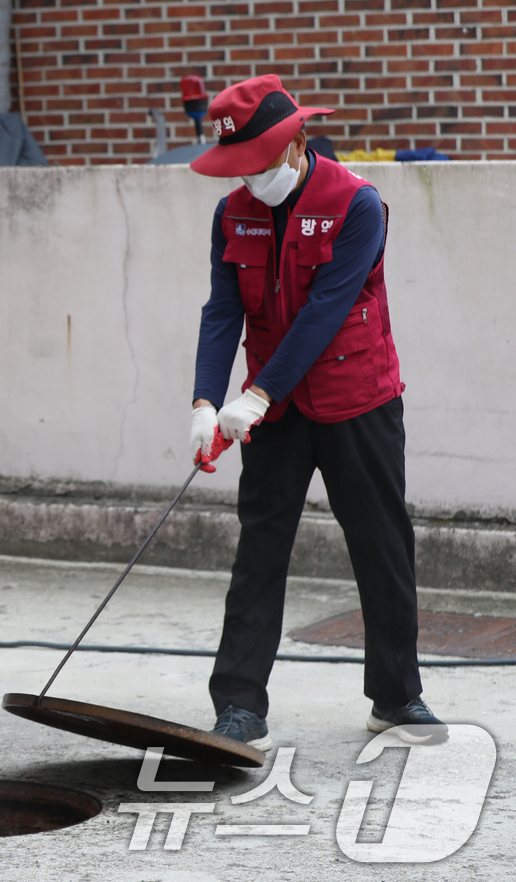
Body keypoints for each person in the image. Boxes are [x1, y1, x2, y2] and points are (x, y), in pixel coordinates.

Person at [187, 75, 445, 750]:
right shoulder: (231, 214)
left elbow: (325, 311)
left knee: (381, 544)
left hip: (356, 395)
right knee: (260, 546)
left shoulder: (358, 204)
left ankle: (396, 696)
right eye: (238, 168)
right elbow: (222, 310)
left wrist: (256, 396)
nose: (250, 180)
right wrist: (206, 401)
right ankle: (239, 704)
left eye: (260, 164)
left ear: (299, 140)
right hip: (269, 404)